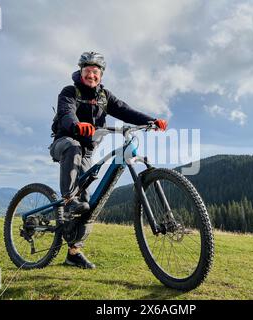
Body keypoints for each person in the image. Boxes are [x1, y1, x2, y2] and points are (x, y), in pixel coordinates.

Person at [49, 52, 168, 269]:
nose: (91, 75)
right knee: (73, 148)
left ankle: (73, 253)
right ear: (81, 72)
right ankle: (67, 200)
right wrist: (77, 125)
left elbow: (126, 111)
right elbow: (66, 113)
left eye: (96, 72)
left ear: (101, 75)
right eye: (87, 71)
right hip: (64, 142)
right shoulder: (69, 91)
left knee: (88, 203)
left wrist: (151, 121)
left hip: (86, 151)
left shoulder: (105, 96)